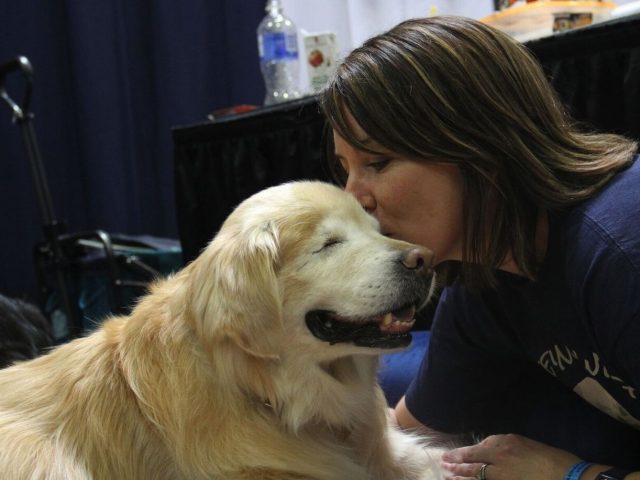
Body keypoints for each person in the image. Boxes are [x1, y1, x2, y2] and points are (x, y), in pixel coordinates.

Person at [319, 15, 640, 480]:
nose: (353, 199)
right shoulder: (484, 270)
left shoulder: (621, 255)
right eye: (345, 168)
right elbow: (404, 432)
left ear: (477, 143)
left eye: (378, 162)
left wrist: (571, 475)